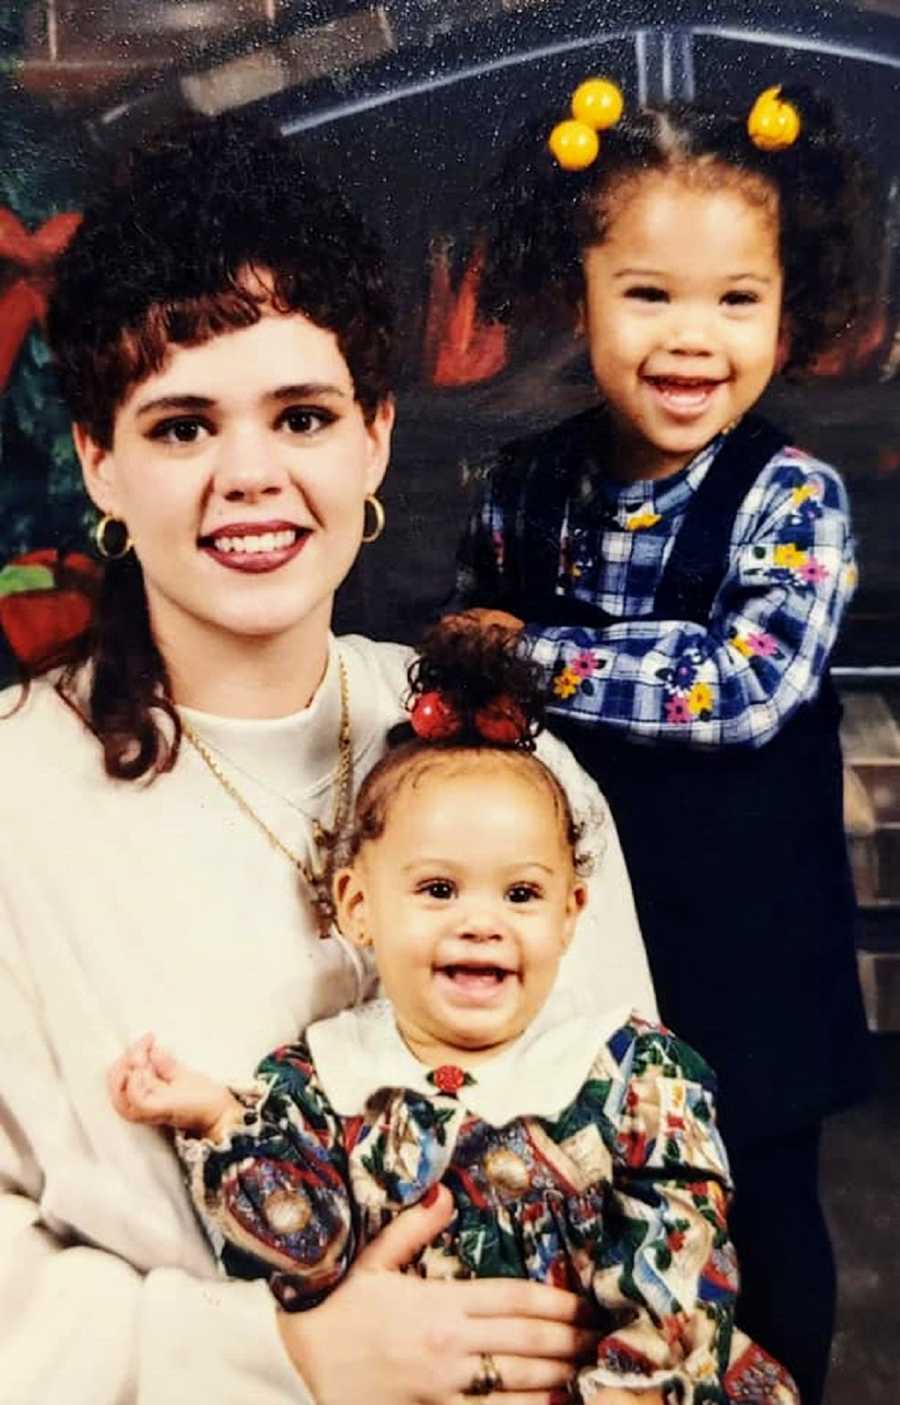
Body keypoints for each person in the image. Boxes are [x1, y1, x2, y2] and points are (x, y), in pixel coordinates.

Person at [0, 118, 656, 1405]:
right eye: (182, 427)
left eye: (301, 414)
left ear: (375, 440)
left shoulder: (519, 762)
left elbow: (634, 1135)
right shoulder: (16, 802)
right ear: (99, 464)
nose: (251, 475)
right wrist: (285, 1353)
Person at [453, 81, 877, 1405]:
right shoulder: (524, 487)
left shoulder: (794, 498)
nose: (693, 338)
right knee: (585, 1186)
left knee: (755, 1216)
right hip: (580, 928)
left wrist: (528, 654)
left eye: (734, 300)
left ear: (784, 309)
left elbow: (742, 682)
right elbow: (477, 705)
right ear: (573, 300)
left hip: (746, 947)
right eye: (648, 295)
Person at [108, 625, 798, 1405]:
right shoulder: (327, 1079)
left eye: (522, 893)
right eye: (439, 889)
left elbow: (677, 1293)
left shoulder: (630, 1077)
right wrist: (220, 1121)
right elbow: (307, 1251)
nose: (482, 922)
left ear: (571, 914)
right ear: (358, 907)